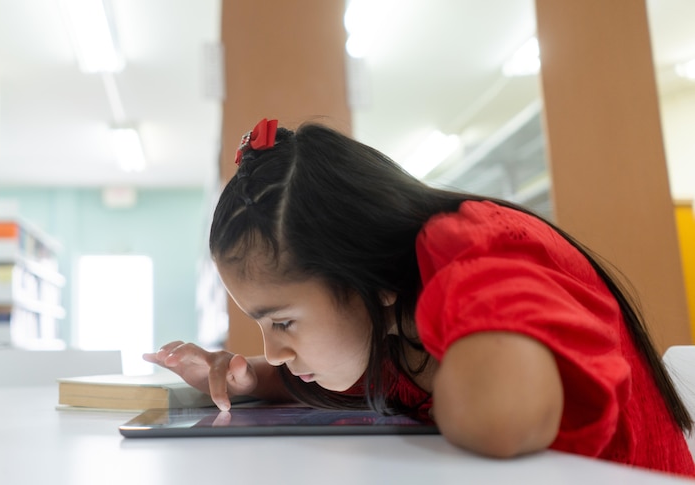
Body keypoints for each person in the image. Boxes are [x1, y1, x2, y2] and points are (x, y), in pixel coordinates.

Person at [143, 118, 695, 476]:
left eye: (283, 322)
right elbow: (366, 369)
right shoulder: (392, 315)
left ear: (372, 274)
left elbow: (499, 419)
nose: (276, 347)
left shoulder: (475, 251)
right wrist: (248, 376)